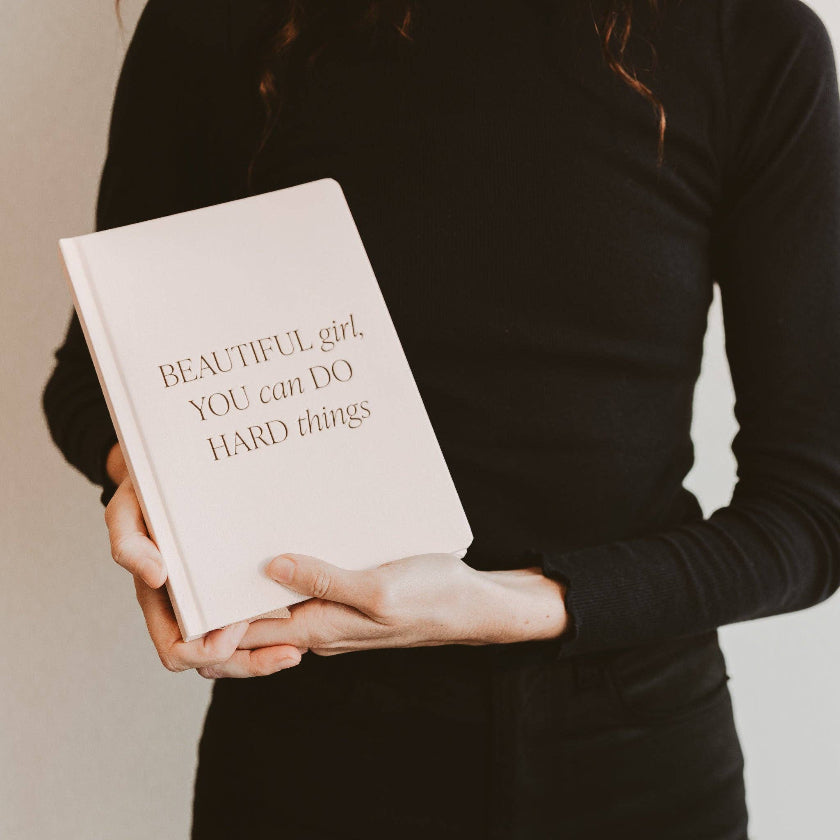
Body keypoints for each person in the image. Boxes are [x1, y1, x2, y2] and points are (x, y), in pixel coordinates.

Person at [42, 0, 840, 837]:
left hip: (635, 758)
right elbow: (88, 384)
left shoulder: (749, 39)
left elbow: (812, 514)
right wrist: (150, 483)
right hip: (304, 744)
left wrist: (502, 606)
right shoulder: (220, 21)